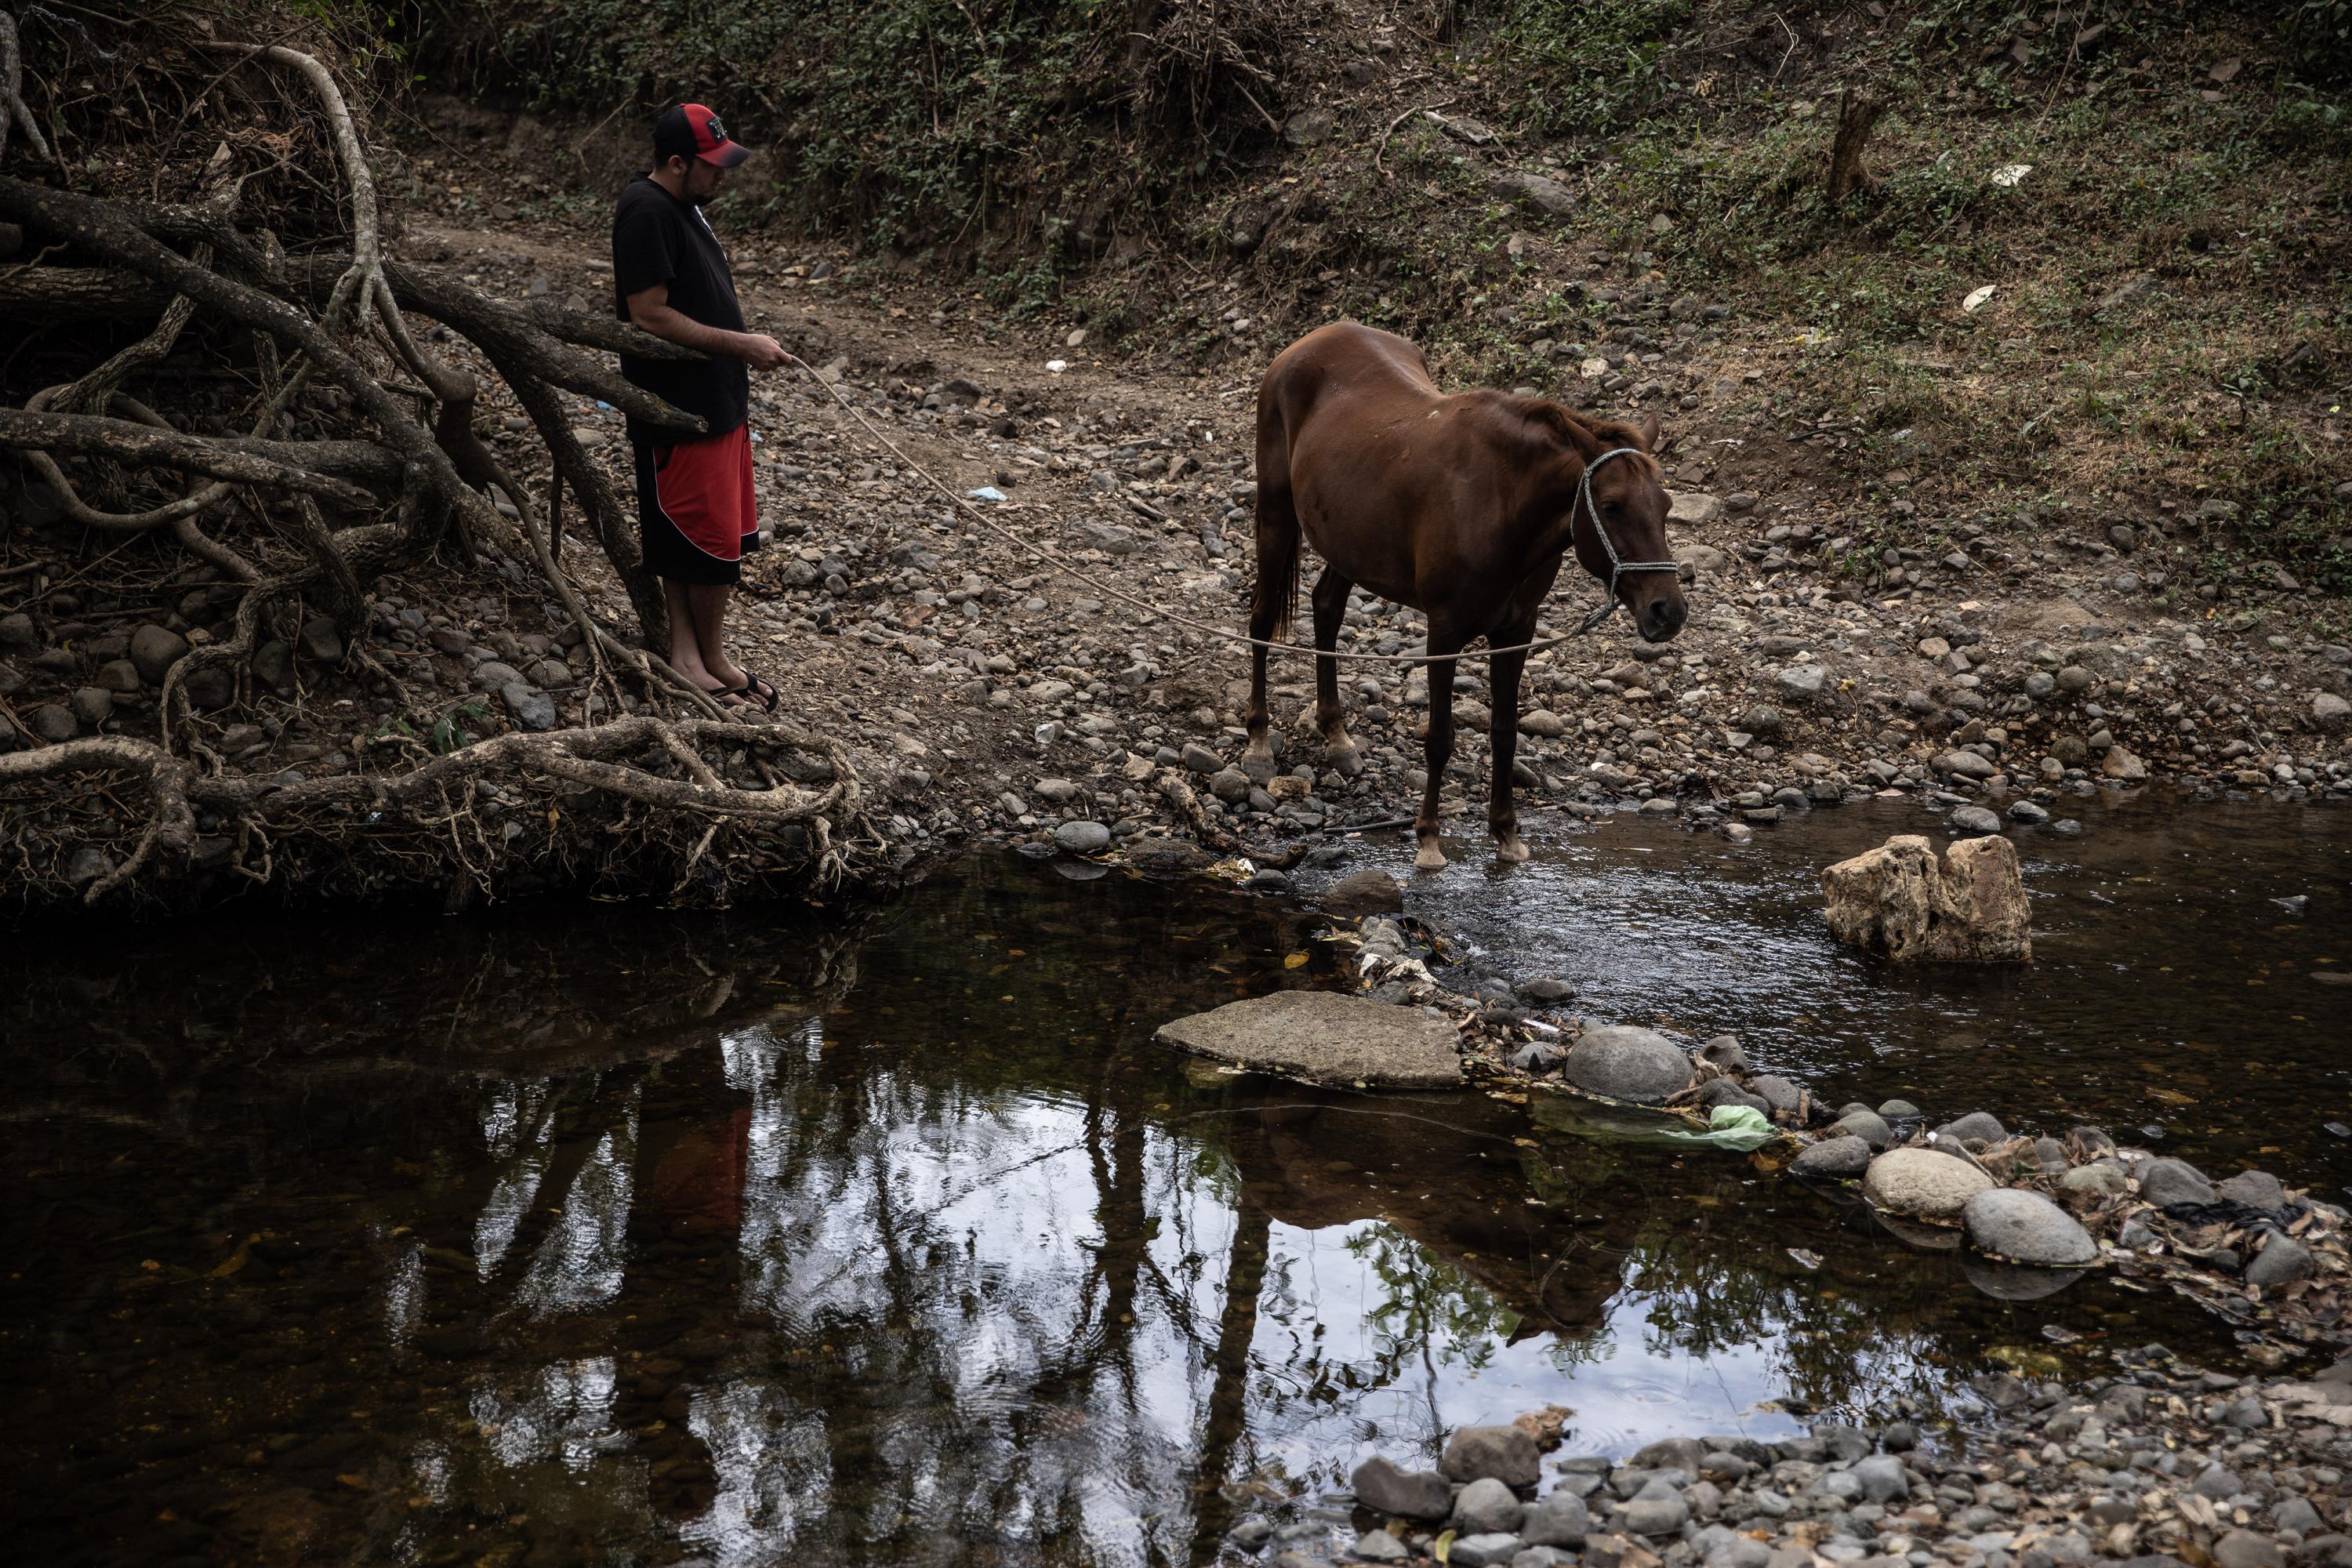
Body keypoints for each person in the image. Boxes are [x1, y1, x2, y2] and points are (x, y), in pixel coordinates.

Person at [612, 101, 789, 711]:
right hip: (680, 409)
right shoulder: (646, 212)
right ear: (678, 162)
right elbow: (649, 313)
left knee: (700, 536)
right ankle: (705, 659)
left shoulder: (682, 206)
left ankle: (695, 657)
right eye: (711, 165)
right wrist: (742, 344)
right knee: (704, 539)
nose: (723, 175)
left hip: (712, 401)